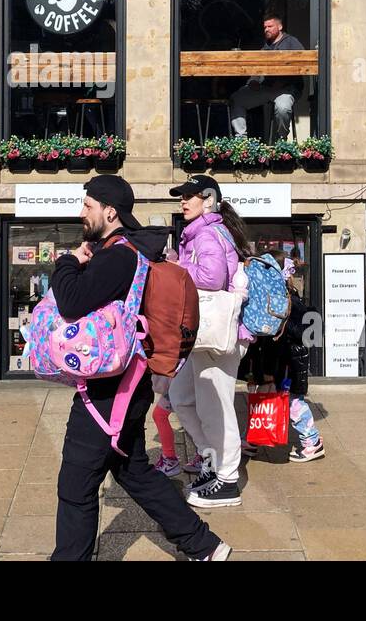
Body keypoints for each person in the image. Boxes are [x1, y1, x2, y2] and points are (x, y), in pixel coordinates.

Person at [49, 175, 229, 561]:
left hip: (108, 392)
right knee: (134, 472)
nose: (82, 212)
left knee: (76, 484)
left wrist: (67, 262)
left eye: (88, 206)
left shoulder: (120, 255)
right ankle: (204, 546)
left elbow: (71, 301)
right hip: (129, 383)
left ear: (109, 211)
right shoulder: (129, 251)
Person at [166, 174, 251, 509]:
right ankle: (213, 460)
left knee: (216, 407)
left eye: (190, 196)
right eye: (182, 196)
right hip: (202, 335)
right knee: (182, 397)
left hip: (219, 335)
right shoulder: (199, 233)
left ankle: (228, 480)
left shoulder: (207, 234)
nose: (184, 201)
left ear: (209, 199)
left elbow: (212, 279)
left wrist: (176, 266)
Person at [241, 290, 325, 463]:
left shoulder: (279, 304)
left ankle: (312, 441)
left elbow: (275, 342)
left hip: (287, 366)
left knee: (292, 402)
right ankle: (252, 439)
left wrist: (268, 372)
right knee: (265, 400)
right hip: (288, 364)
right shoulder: (287, 300)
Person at [229, 14, 305, 138]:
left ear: (280, 27)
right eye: (265, 27)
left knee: (282, 108)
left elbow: (302, 66)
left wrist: (284, 81)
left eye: (270, 26)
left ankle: (282, 142)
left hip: (287, 89)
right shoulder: (265, 46)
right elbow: (258, 68)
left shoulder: (292, 42)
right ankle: (241, 141)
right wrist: (252, 81)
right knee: (237, 99)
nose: (266, 30)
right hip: (266, 88)